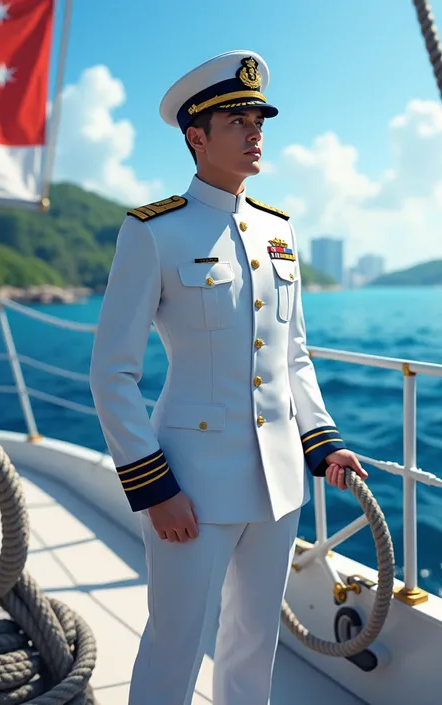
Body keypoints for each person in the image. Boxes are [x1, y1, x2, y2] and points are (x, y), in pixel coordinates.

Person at [89, 49, 368, 705]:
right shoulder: (153, 231)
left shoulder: (278, 230)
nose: (255, 134)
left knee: (253, 647)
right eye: (238, 121)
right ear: (196, 136)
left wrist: (322, 440)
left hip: (277, 483)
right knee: (174, 643)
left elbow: (293, 354)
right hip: (190, 484)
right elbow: (112, 373)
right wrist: (154, 485)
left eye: (259, 121)